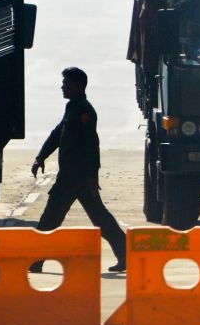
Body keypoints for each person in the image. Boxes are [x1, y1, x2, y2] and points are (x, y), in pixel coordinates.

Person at [30, 67, 127, 273]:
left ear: (78, 85)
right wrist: (41, 156)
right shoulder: (72, 108)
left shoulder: (85, 111)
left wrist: (93, 176)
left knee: (50, 218)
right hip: (75, 176)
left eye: (66, 83)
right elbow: (57, 134)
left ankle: (35, 261)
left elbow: (92, 145)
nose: (62, 86)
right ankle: (126, 254)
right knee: (100, 218)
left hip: (75, 177)